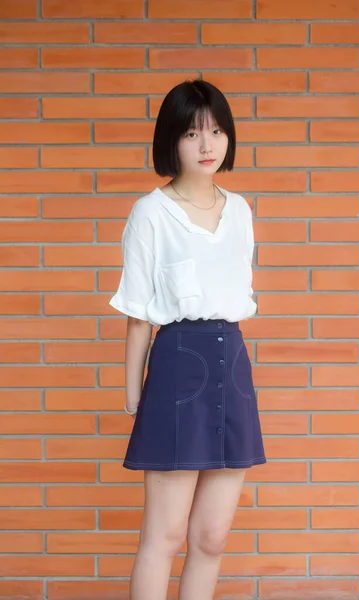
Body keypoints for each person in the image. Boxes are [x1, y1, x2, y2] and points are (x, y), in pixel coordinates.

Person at [109, 79, 266, 600]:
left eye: (217, 131)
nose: (207, 145)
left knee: (211, 537)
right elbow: (137, 313)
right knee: (166, 535)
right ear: (171, 139)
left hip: (233, 372)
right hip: (176, 369)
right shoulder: (151, 212)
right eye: (194, 133)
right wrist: (135, 397)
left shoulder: (240, 211)